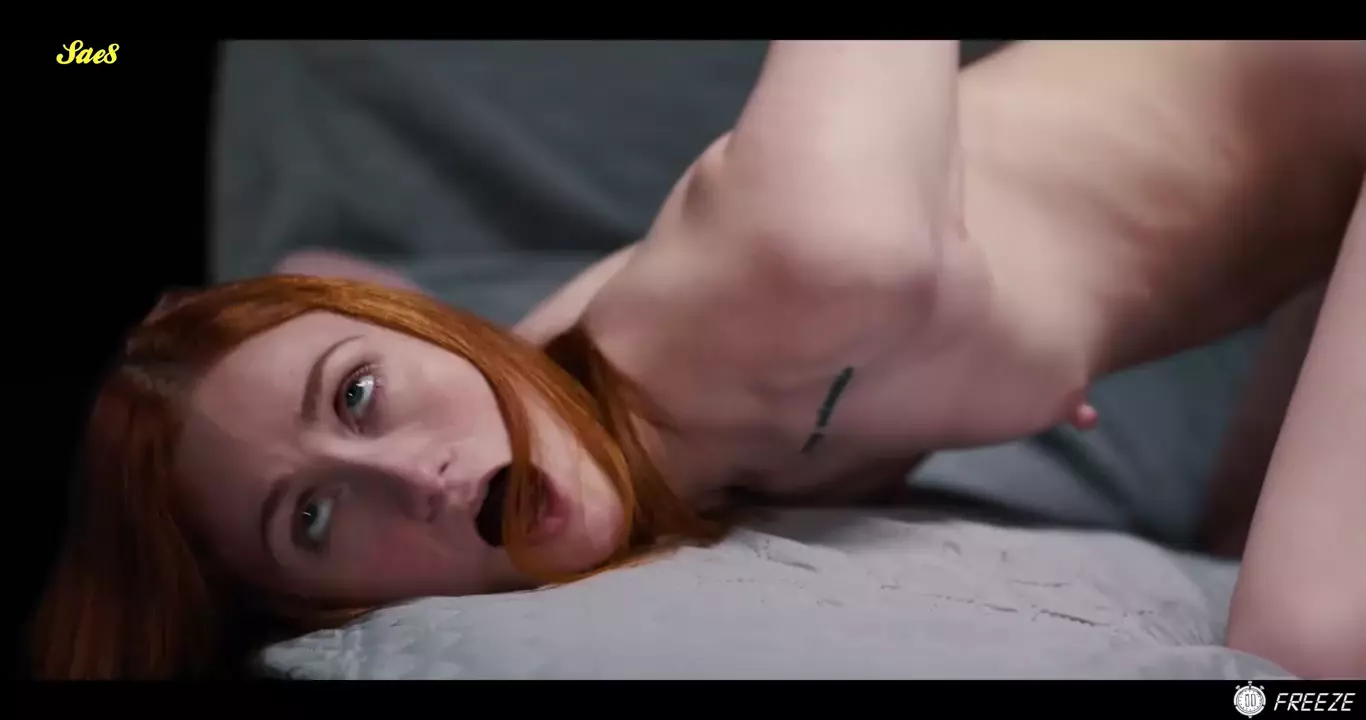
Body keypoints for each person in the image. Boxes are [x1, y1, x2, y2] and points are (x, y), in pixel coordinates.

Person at [31, 40, 1365, 679]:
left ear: (402, 316)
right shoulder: (611, 426)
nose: (412, 477)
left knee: (1301, 661)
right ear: (302, 607)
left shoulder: (793, 259)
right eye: (313, 516)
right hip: (1315, 208)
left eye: (360, 394)